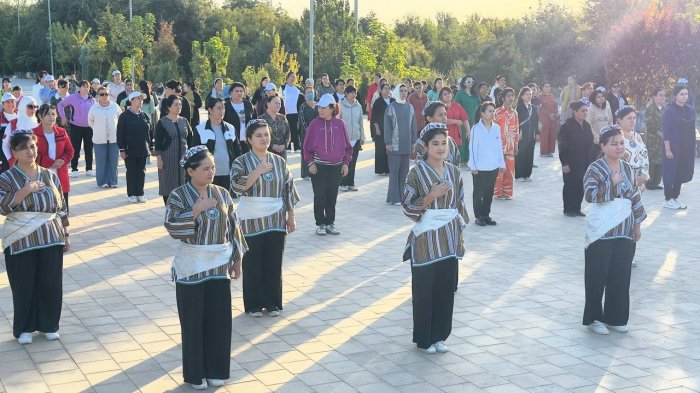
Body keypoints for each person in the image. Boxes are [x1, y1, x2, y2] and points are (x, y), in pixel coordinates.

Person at [164, 146, 247, 390]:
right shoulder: (178, 195)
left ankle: (216, 370)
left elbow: (234, 226)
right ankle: (194, 374)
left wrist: (237, 258)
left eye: (213, 167)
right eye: (205, 168)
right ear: (190, 171)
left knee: (219, 319)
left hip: (219, 266)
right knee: (193, 322)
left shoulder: (222, 193)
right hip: (192, 267)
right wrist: (195, 211)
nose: (211, 172)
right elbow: (171, 226)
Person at [402, 125, 468, 354]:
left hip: (448, 237)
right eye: (435, 144)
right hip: (427, 238)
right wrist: (431, 195)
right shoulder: (416, 173)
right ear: (426, 147)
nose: (441, 148)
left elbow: (459, 203)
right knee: (424, 290)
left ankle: (440, 335)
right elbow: (408, 205)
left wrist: (460, 231)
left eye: (444, 143)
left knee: (444, 288)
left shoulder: (454, 171)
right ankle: (424, 338)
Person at [0, 130, 70, 345]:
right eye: (24, 148)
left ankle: (49, 324)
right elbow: (3, 207)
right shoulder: (7, 177)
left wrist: (66, 234)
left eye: (32, 146)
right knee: (24, 284)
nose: (30, 151)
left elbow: (61, 206)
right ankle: (25, 328)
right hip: (21, 239)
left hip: (50, 236)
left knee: (50, 283)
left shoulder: (49, 175)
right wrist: (25, 190)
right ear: (14, 152)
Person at [230, 120, 299, 317]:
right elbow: (237, 187)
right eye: (258, 135)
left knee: (273, 261)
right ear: (249, 139)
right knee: (252, 262)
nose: (263, 138)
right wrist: (256, 172)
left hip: (276, 218)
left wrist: (291, 216)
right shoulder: (241, 162)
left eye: (266, 134)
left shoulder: (279, 161)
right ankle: (253, 304)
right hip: (251, 219)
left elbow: (288, 189)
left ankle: (272, 303)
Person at [582, 125, 646, 335]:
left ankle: (615, 317)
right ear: (603, 146)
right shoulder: (595, 168)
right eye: (614, 143)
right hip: (601, 231)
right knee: (597, 274)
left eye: (621, 143)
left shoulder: (627, 167)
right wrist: (611, 183)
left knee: (621, 274)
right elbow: (590, 195)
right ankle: (594, 318)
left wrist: (637, 224)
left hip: (624, 228)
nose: (619, 147)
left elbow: (635, 196)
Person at [303, 94, 352, 236]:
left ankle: (330, 223)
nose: (320, 110)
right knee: (319, 196)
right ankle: (320, 224)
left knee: (332, 195)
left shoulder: (340, 124)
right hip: (319, 166)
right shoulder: (314, 124)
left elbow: (348, 147)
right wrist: (310, 162)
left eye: (324, 108)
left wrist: (346, 163)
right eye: (319, 107)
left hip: (336, 167)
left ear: (332, 108)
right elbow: (306, 147)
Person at [469, 101, 506, 226]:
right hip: (479, 167)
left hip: (493, 166)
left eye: (493, 111)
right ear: (482, 114)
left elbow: (499, 147)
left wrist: (501, 163)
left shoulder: (496, 128)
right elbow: (472, 149)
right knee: (478, 192)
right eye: (489, 111)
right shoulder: (476, 128)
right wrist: (473, 166)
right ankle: (479, 216)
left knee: (489, 192)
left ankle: (486, 215)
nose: (492, 113)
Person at [33, 104, 75, 211]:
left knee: (62, 207)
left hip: (60, 172)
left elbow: (70, 151)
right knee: (45, 204)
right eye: (47, 114)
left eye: (53, 114)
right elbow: (32, 155)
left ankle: (63, 225)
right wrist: (50, 162)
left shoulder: (61, 132)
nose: (51, 117)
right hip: (41, 174)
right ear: (40, 116)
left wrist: (63, 160)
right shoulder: (33, 133)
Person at [193, 97, 240, 191]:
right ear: (210, 110)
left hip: (227, 173)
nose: (222, 111)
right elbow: (195, 154)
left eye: (223, 108)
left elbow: (237, 150)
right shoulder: (200, 129)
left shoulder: (230, 128)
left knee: (224, 202)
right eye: (218, 108)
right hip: (208, 174)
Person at [662, 85, 696, 209]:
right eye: (681, 94)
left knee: (681, 173)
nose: (684, 96)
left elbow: (692, 130)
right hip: (673, 147)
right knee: (670, 172)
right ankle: (668, 199)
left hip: (686, 148)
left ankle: (675, 197)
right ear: (675, 96)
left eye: (686, 94)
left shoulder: (690, 110)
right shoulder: (670, 111)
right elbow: (666, 131)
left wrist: (694, 147)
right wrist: (667, 149)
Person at [155, 95, 193, 205]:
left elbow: (190, 139)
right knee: (167, 184)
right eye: (175, 105)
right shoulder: (162, 122)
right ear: (169, 107)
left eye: (180, 104)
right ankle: (169, 210)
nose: (178, 107)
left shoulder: (184, 121)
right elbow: (158, 143)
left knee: (184, 183)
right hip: (167, 159)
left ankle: (182, 209)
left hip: (184, 159)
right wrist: (159, 159)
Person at [559, 101, 595, 217]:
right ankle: (568, 209)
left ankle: (577, 208)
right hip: (571, 162)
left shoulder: (587, 126)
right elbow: (562, 146)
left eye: (586, 111)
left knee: (581, 185)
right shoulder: (566, 127)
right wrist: (564, 163)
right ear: (575, 112)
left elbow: (591, 144)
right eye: (582, 111)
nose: (585, 113)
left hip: (585, 161)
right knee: (570, 184)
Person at [384, 84, 417, 205]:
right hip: (394, 145)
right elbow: (387, 126)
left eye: (405, 91)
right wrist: (388, 142)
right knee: (394, 171)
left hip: (406, 145)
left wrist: (414, 142)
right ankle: (394, 198)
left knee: (404, 172)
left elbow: (413, 126)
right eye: (401, 91)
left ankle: (403, 197)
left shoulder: (410, 107)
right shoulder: (391, 108)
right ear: (397, 92)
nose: (404, 93)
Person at [117, 91, 153, 203]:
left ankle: (140, 193)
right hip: (129, 149)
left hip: (143, 148)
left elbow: (150, 132)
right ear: (131, 101)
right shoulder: (124, 116)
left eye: (141, 99)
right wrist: (122, 149)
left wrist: (151, 147)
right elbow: (120, 133)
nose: (140, 101)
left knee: (141, 171)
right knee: (131, 171)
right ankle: (131, 193)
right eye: (138, 99)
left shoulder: (145, 115)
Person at [57, 80, 96, 178]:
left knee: (89, 148)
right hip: (76, 127)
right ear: (79, 88)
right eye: (83, 86)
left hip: (89, 127)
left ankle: (89, 169)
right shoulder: (73, 97)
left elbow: (95, 112)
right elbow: (60, 105)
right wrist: (63, 116)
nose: (85, 88)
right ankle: (74, 169)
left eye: (87, 86)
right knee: (76, 148)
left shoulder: (92, 99)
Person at [88, 86, 122, 188]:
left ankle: (113, 181)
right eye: (102, 94)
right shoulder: (94, 107)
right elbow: (90, 122)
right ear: (98, 95)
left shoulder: (115, 106)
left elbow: (120, 119)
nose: (104, 96)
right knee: (101, 162)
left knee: (113, 161)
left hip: (114, 138)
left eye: (106, 94)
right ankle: (102, 182)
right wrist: (99, 129)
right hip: (99, 139)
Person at [414, 102, 461, 167]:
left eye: (445, 114)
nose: (444, 118)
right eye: (440, 115)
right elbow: (420, 168)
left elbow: (457, 164)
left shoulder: (450, 141)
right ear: (429, 119)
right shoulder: (422, 142)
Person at [338, 85, 365, 191]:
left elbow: (360, 122)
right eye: (351, 93)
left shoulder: (358, 106)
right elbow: (337, 121)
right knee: (344, 162)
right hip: (344, 139)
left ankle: (351, 183)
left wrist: (362, 136)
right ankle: (343, 183)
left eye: (355, 93)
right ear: (346, 94)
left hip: (356, 138)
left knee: (353, 162)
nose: (354, 95)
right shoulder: (340, 105)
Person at [493, 88, 519, 200]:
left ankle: (507, 193)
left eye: (512, 96)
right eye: (508, 96)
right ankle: (498, 193)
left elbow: (516, 129)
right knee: (499, 170)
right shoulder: (497, 112)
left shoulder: (515, 112)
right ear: (503, 98)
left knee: (509, 169)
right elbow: (492, 129)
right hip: (498, 145)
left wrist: (516, 145)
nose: (511, 98)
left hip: (511, 145)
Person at [618, 106, 649, 193]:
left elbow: (645, 156)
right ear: (620, 120)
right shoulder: (615, 138)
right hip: (622, 181)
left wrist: (643, 175)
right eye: (629, 118)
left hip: (639, 180)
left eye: (634, 118)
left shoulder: (637, 136)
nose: (632, 121)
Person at [3, 96, 40, 168]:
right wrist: (11, 160)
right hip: (18, 164)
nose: (34, 109)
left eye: (35, 106)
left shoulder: (39, 123)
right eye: (30, 106)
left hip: (37, 163)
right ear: (23, 106)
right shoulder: (13, 124)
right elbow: (5, 145)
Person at [223, 82, 256, 156]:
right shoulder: (226, 105)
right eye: (236, 91)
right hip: (231, 139)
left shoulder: (248, 104)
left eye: (241, 91)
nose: (239, 93)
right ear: (231, 93)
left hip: (247, 140)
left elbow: (254, 119)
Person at [642, 88, 666, 190]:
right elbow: (650, 124)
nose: (663, 97)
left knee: (660, 160)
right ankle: (649, 183)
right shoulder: (650, 108)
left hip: (662, 139)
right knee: (651, 160)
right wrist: (661, 134)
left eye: (664, 95)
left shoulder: (664, 108)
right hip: (652, 139)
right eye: (660, 95)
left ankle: (656, 182)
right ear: (654, 96)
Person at [454, 76, 480, 167]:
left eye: (472, 81)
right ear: (464, 83)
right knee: (462, 141)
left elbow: (478, 106)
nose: (470, 83)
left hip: (473, 121)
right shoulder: (460, 93)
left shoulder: (474, 94)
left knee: (470, 141)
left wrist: (476, 120)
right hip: (462, 121)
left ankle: (468, 161)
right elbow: (456, 107)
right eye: (468, 81)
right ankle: (461, 162)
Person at [515, 87, 539, 182]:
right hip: (522, 134)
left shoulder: (533, 107)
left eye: (530, 94)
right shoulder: (518, 108)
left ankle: (527, 174)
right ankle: (519, 175)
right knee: (521, 155)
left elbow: (536, 122)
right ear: (522, 96)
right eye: (527, 94)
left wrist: (537, 133)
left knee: (530, 154)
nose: (529, 96)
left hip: (531, 135)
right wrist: (518, 133)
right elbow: (516, 122)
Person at [371, 83, 394, 175]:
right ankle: (381, 169)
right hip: (380, 128)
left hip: (391, 128)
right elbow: (374, 117)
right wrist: (377, 128)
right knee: (381, 148)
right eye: (385, 88)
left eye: (388, 88)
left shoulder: (393, 101)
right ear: (380, 90)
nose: (387, 90)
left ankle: (389, 169)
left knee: (390, 149)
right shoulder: (378, 102)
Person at [260, 96, 291, 160]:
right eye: (276, 103)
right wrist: (272, 146)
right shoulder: (261, 119)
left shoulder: (282, 118)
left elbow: (288, 133)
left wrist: (284, 145)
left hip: (282, 154)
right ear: (268, 104)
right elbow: (260, 136)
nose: (278, 105)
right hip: (267, 154)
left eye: (279, 103)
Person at [297, 86, 318, 180]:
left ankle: (316, 171)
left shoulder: (318, 105)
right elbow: (302, 120)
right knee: (306, 152)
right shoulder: (303, 106)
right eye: (308, 92)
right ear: (305, 95)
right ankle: (306, 173)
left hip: (318, 134)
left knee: (317, 152)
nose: (310, 94)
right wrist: (310, 132)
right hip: (306, 134)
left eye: (311, 92)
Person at [586, 88, 613, 153]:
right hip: (595, 142)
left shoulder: (607, 109)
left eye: (602, 96)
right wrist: (597, 138)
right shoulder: (590, 109)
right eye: (598, 97)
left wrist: (609, 136)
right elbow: (588, 125)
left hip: (606, 141)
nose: (601, 98)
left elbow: (611, 123)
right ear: (594, 98)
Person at [281, 71, 302, 151]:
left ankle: (297, 146)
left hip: (295, 113)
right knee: (287, 130)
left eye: (294, 77)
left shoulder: (298, 88)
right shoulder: (283, 88)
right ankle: (288, 146)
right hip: (286, 113)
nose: (293, 78)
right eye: (291, 76)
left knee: (295, 130)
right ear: (287, 77)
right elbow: (280, 100)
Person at [538, 82, 558, 157]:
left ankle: (550, 152)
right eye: (546, 87)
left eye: (549, 86)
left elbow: (556, 106)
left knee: (552, 135)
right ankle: (543, 152)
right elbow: (540, 108)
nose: (548, 88)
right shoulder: (539, 97)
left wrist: (554, 114)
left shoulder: (552, 96)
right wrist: (549, 114)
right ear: (542, 88)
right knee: (544, 136)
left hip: (553, 119)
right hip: (544, 118)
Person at [0, 93, 18, 173]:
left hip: (19, 154)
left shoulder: (21, 116)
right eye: (7, 102)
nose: (10, 104)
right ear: (2, 104)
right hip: (2, 155)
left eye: (12, 101)